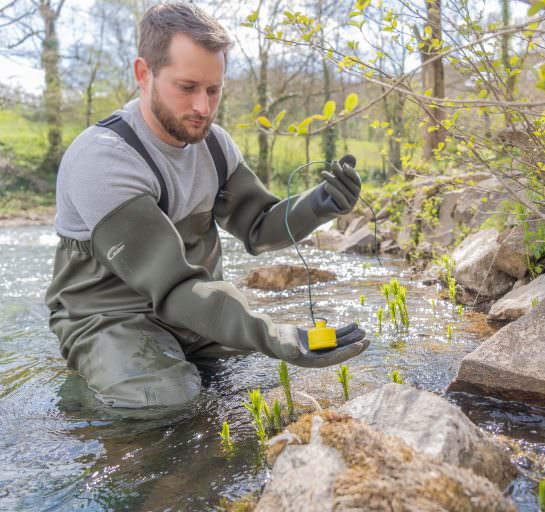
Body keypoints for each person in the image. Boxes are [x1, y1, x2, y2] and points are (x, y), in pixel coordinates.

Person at [45, 2, 368, 408]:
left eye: (213, 90)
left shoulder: (214, 145)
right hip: (110, 317)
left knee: (255, 373)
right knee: (165, 400)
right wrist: (275, 335)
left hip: (189, 312)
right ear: (143, 74)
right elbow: (174, 284)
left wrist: (320, 204)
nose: (203, 107)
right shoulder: (104, 159)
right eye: (187, 87)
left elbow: (259, 227)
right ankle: (79, 399)